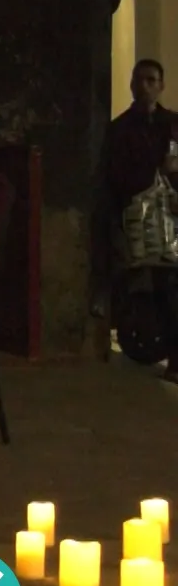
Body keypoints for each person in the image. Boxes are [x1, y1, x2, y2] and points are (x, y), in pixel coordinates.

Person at [97, 58, 178, 378]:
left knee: (170, 284)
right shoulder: (120, 129)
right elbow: (115, 175)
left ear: (161, 85)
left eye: (151, 80)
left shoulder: (172, 123)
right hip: (140, 221)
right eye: (139, 80)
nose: (144, 86)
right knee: (158, 282)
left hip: (171, 216)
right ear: (131, 85)